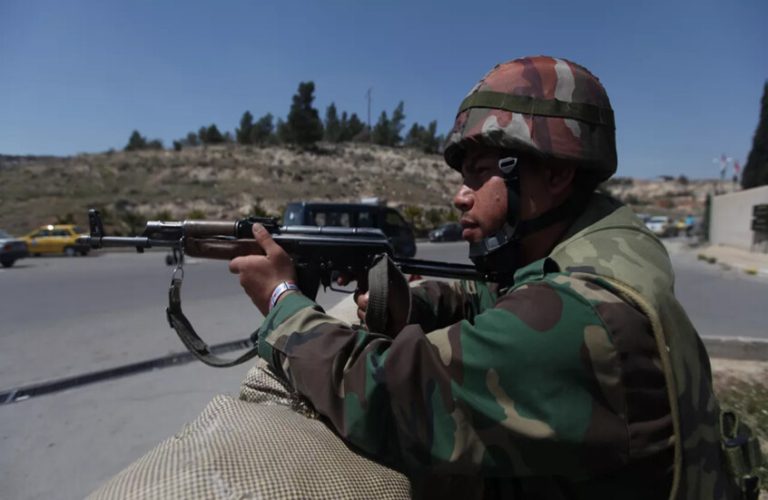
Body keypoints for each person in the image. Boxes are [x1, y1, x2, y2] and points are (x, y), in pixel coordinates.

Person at [229, 56, 759, 499]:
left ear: (556, 173)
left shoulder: (582, 315)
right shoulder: (610, 242)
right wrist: (416, 306)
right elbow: (505, 294)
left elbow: (387, 393)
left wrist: (283, 301)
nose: (461, 196)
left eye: (481, 173)